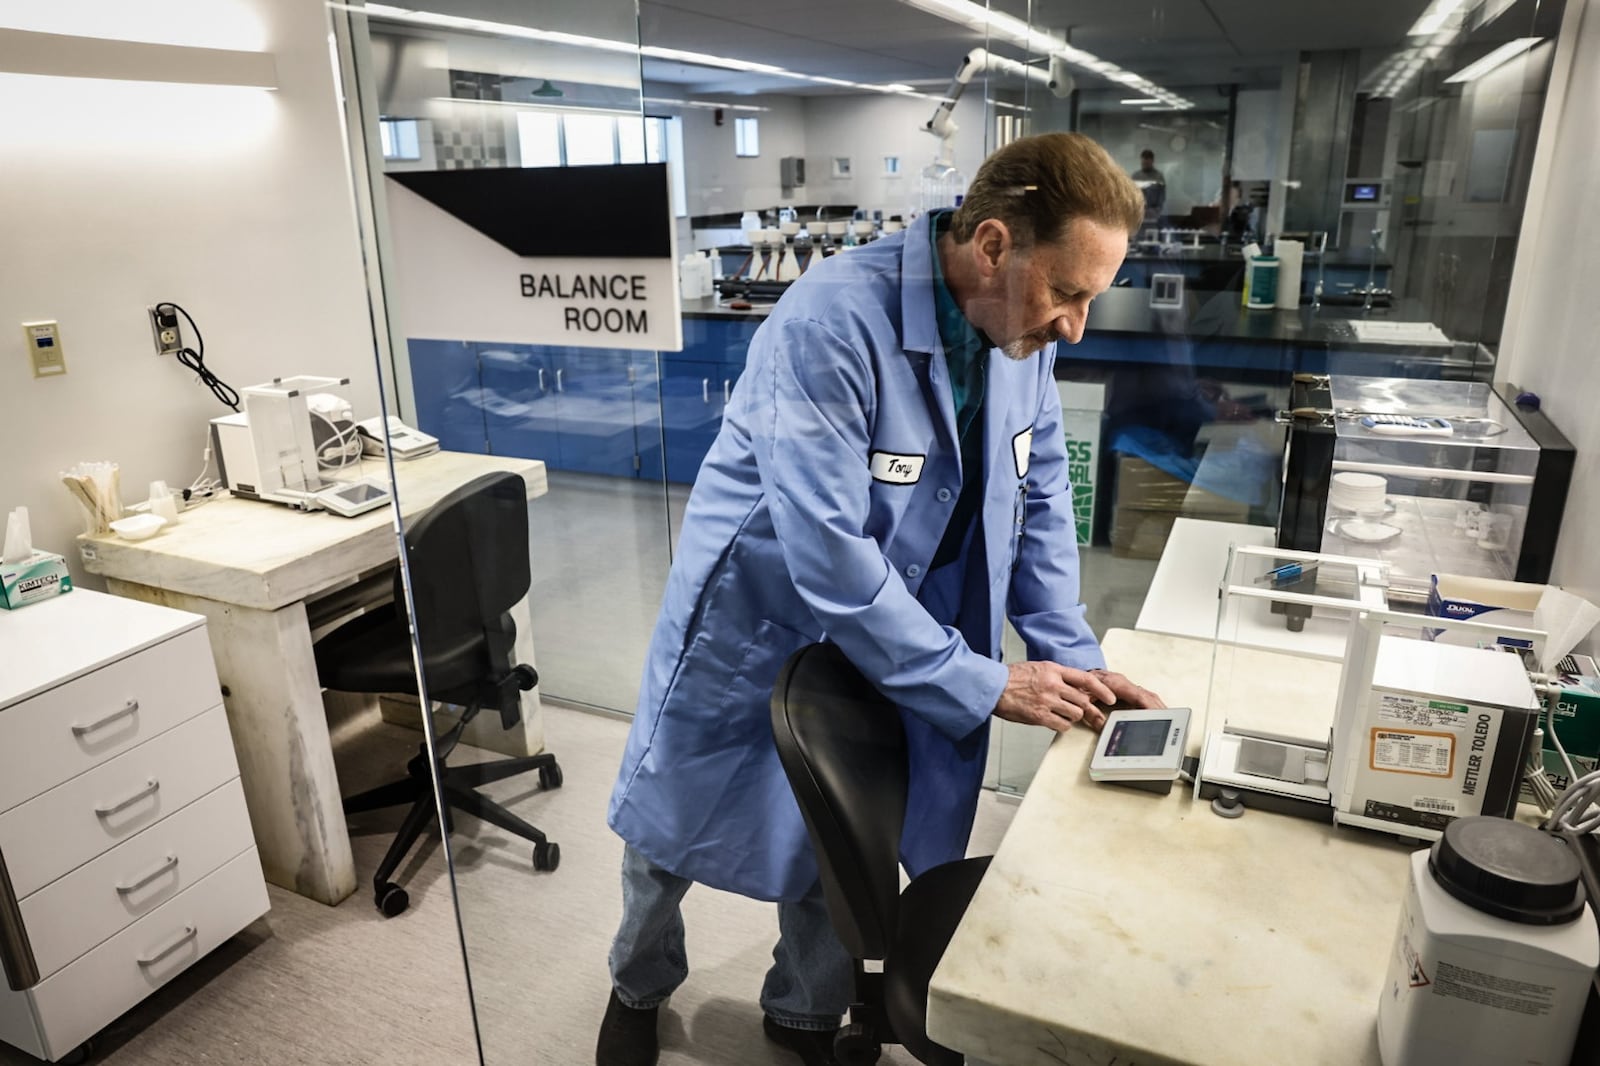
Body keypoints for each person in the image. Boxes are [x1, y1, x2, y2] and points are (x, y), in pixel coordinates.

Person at [596, 132, 1166, 1066]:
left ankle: (806, 1011)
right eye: (1067, 291)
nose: (1076, 325)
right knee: (670, 834)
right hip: (762, 612)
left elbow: (1039, 500)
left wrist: (1078, 662)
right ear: (992, 245)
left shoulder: (1022, 338)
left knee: (843, 833)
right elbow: (828, 556)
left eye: (1090, 298)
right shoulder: (830, 324)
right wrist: (984, 682)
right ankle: (636, 982)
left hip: (909, 615)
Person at [1132, 148, 1166, 226]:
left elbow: (1162, 197)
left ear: (1152, 161)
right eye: (1144, 163)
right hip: (1138, 214)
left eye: (1147, 163)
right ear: (1141, 161)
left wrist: (1157, 211)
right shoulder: (1135, 176)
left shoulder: (1158, 177)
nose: (1145, 164)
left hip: (1154, 214)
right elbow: (1131, 196)